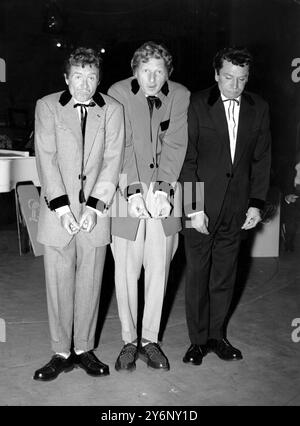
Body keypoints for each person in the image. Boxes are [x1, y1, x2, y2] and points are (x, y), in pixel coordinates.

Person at [33, 47, 124, 381]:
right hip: (59, 213)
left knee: (91, 282)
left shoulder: (112, 109)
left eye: (92, 77)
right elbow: (46, 157)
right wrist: (62, 209)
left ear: (99, 79)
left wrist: (95, 206)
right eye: (78, 77)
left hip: (94, 214)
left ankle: (84, 349)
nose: (85, 85)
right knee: (58, 283)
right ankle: (60, 351)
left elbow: (113, 159)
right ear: (66, 78)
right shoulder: (47, 107)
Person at [180, 47, 271, 365]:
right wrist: (193, 207)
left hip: (237, 208)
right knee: (197, 274)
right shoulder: (195, 104)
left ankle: (217, 336)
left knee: (224, 273)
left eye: (242, 79)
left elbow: (262, 159)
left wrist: (256, 204)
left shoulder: (258, 107)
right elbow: (187, 160)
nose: (235, 85)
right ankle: (196, 342)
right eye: (229, 77)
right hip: (199, 207)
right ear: (216, 74)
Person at [108, 41, 190, 372]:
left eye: (159, 71)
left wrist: (163, 191)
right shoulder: (117, 92)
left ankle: (150, 340)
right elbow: (119, 144)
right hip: (126, 190)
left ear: (168, 72)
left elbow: (176, 143)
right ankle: (129, 341)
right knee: (126, 270)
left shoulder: (180, 95)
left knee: (159, 267)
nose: (152, 79)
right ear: (135, 70)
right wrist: (132, 191)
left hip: (164, 194)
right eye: (146, 71)